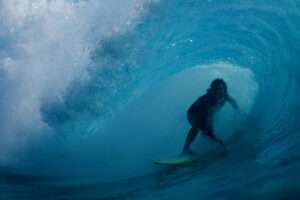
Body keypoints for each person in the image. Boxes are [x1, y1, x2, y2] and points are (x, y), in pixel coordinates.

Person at [182, 78, 240, 154]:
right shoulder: (209, 101)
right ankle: (186, 148)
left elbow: (233, 103)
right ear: (212, 90)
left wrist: (238, 113)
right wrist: (219, 142)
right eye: (216, 89)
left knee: (208, 130)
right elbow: (208, 117)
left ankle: (204, 140)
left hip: (207, 114)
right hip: (193, 114)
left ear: (224, 89)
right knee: (198, 126)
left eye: (221, 89)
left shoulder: (224, 95)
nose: (219, 91)